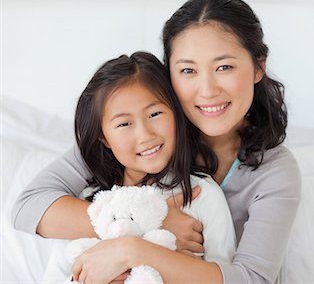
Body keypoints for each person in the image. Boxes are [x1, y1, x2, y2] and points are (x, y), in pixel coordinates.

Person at [12, 0, 301, 284]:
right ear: (168, 76)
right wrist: (150, 220)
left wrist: (131, 248)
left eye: (224, 67)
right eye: (188, 70)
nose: (207, 89)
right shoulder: (142, 140)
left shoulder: (274, 170)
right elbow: (30, 207)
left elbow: (253, 279)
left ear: (258, 67)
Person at [30, 51, 236, 282]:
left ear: (177, 114)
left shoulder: (201, 196)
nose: (145, 134)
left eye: (155, 114)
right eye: (124, 123)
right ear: (103, 138)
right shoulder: (92, 203)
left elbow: (225, 276)